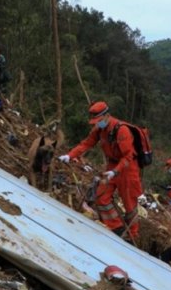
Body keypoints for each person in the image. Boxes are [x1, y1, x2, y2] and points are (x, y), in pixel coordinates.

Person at [58, 101, 144, 241]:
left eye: (99, 120)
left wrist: (115, 172)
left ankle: (133, 236)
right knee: (101, 196)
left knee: (129, 204)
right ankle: (117, 228)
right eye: (95, 121)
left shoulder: (122, 130)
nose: (97, 123)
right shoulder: (99, 129)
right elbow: (86, 143)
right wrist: (70, 155)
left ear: (107, 116)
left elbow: (128, 155)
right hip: (111, 166)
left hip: (127, 168)